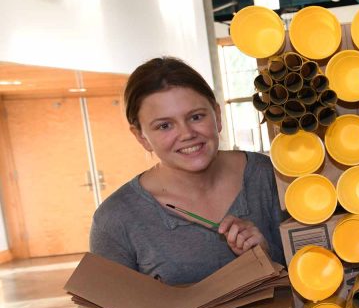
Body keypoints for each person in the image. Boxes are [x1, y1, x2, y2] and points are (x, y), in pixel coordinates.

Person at [90, 57, 285, 284]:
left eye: (196, 117)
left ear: (217, 115)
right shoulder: (115, 219)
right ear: (141, 136)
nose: (187, 134)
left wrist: (266, 257)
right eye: (164, 125)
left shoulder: (272, 177)